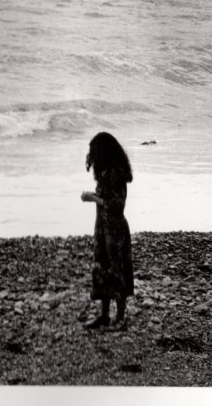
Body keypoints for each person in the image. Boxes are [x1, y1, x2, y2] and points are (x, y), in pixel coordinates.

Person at [80, 132, 134, 329]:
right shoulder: (105, 172)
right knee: (102, 270)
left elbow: (117, 204)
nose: (91, 155)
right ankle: (104, 316)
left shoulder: (116, 174)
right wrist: (93, 196)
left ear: (103, 152)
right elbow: (106, 199)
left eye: (94, 151)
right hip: (103, 230)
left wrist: (93, 198)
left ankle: (119, 318)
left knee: (117, 272)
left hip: (115, 231)